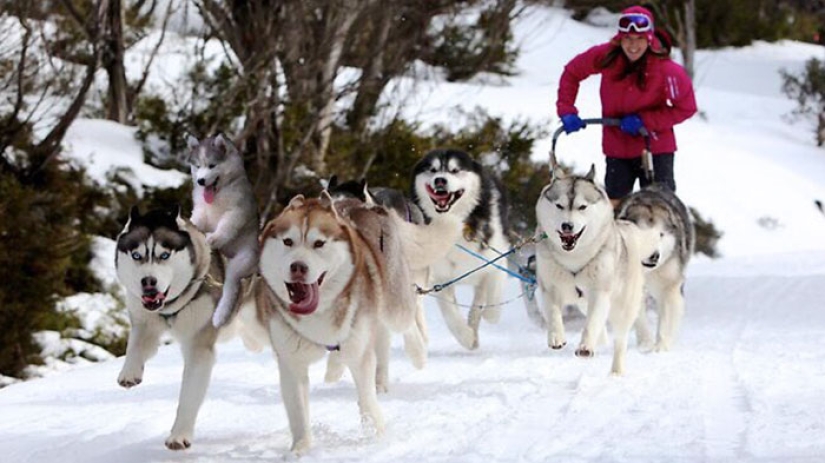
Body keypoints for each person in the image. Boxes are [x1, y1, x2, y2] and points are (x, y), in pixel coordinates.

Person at [556, 5, 697, 208]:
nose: (633, 46)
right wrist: (567, 109)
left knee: (658, 209)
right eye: (628, 39)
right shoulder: (606, 56)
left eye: (639, 39)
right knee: (614, 209)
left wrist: (645, 121)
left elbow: (686, 107)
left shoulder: (667, 70)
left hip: (654, 147)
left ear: (648, 39)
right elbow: (572, 73)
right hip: (617, 147)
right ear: (619, 38)